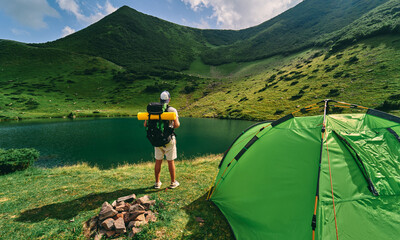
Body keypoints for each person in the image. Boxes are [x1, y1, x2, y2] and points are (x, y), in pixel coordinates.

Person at [144, 91, 180, 189]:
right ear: (169, 99)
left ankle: (157, 183)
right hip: (168, 139)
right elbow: (176, 125)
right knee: (170, 161)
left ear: (159, 99)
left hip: (156, 139)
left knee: (158, 161)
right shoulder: (172, 110)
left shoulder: (152, 110)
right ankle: (173, 182)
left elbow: (145, 124)